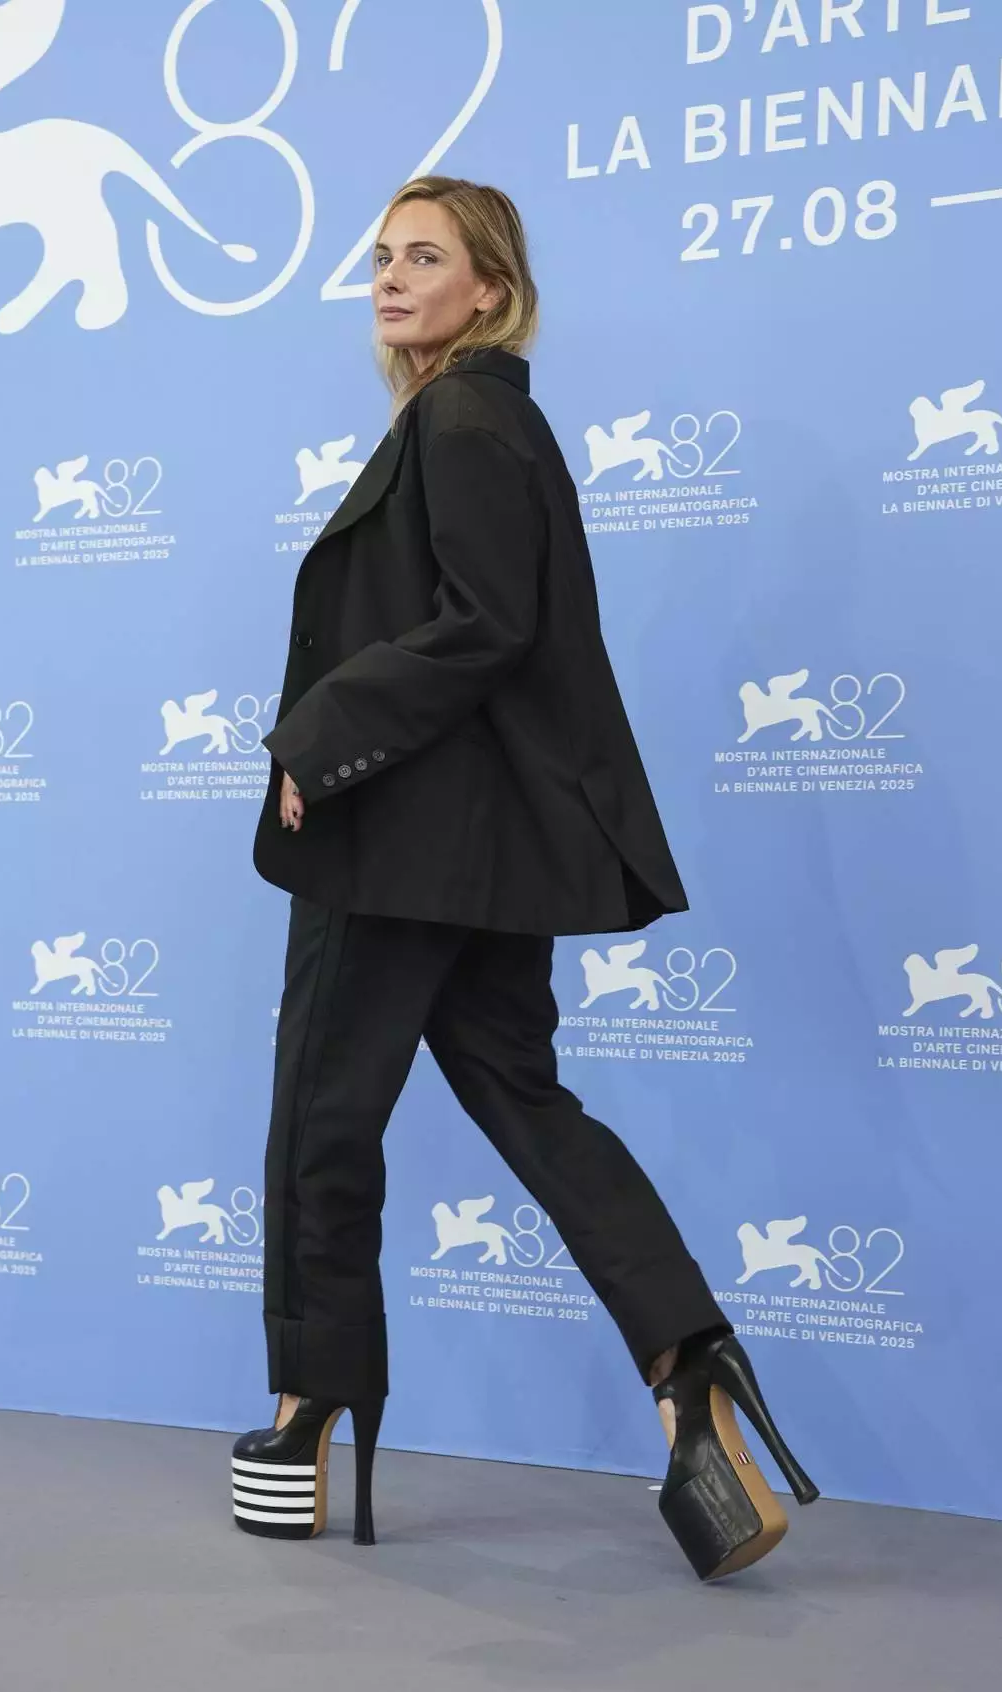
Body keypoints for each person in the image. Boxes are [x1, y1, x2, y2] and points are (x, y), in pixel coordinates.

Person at [231, 176, 817, 1580]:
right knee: (530, 1107)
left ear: (488, 288)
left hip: (400, 841)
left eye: (424, 257)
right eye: (381, 255)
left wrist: (322, 735)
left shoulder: (467, 411)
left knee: (322, 1115)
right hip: (478, 853)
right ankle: (691, 1367)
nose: (389, 276)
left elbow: (487, 624)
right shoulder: (478, 415)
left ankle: (312, 1408)